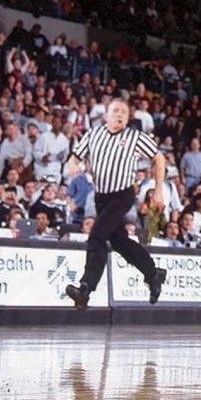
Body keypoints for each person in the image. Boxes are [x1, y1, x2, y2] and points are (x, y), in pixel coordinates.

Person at [62, 98, 167, 308]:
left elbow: (159, 158)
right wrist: (71, 167)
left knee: (97, 235)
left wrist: (158, 190)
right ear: (106, 115)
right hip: (101, 197)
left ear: (128, 118)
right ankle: (153, 273)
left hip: (122, 194)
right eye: (116, 110)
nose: (120, 114)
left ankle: (85, 288)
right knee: (119, 242)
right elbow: (74, 158)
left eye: (124, 112)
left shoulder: (135, 136)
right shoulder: (93, 134)